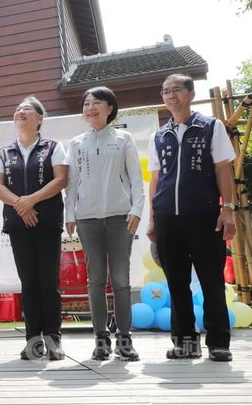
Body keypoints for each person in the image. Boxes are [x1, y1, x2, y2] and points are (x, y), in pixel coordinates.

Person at [147, 74, 237, 362]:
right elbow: (156, 178)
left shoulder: (211, 127)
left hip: (205, 216)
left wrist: (228, 208)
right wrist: (152, 217)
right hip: (166, 218)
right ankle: (186, 342)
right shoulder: (158, 135)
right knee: (176, 282)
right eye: (165, 92)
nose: (170, 96)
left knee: (211, 280)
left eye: (176, 90)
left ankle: (219, 342)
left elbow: (223, 169)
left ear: (190, 93)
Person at [64, 86, 144, 361]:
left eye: (97, 103)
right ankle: (101, 339)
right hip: (87, 219)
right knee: (95, 279)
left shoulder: (123, 138)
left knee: (121, 280)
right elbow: (71, 183)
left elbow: (136, 178)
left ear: (110, 108)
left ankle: (124, 339)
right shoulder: (76, 143)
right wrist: (70, 214)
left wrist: (137, 209)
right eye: (86, 103)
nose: (90, 107)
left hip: (120, 217)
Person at [0, 96, 68, 360]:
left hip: (46, 222)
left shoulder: (53, 147)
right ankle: (33, 341)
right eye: (17, 110)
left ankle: (54, 340)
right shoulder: (5, 152)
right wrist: (19, 205)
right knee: (29, 284)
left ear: (39, 119)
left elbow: (61, 180)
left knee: (49, 282)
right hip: (17, 224)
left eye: (27, 110)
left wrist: (30, 200)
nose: (20, 113)